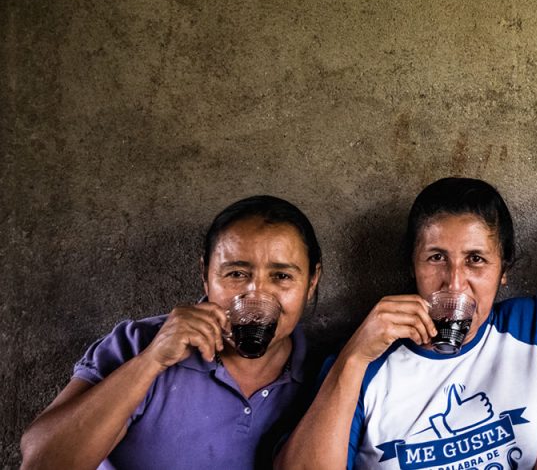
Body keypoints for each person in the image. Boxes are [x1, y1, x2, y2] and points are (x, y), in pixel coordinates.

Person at [278, 177, 537, 469]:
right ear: (412, 266)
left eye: (476, 260)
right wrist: (354, 358)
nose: (454, 284)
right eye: (436, 258)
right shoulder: (365, 362)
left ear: (503, 270)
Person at [20, 195, 324, 469]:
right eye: (236, 274)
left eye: (281, 276)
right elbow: (41, 462)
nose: (256, 295)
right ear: (206, 276)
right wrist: (151, 362)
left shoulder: (323, 374)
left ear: (311, 282)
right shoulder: (138, 343)